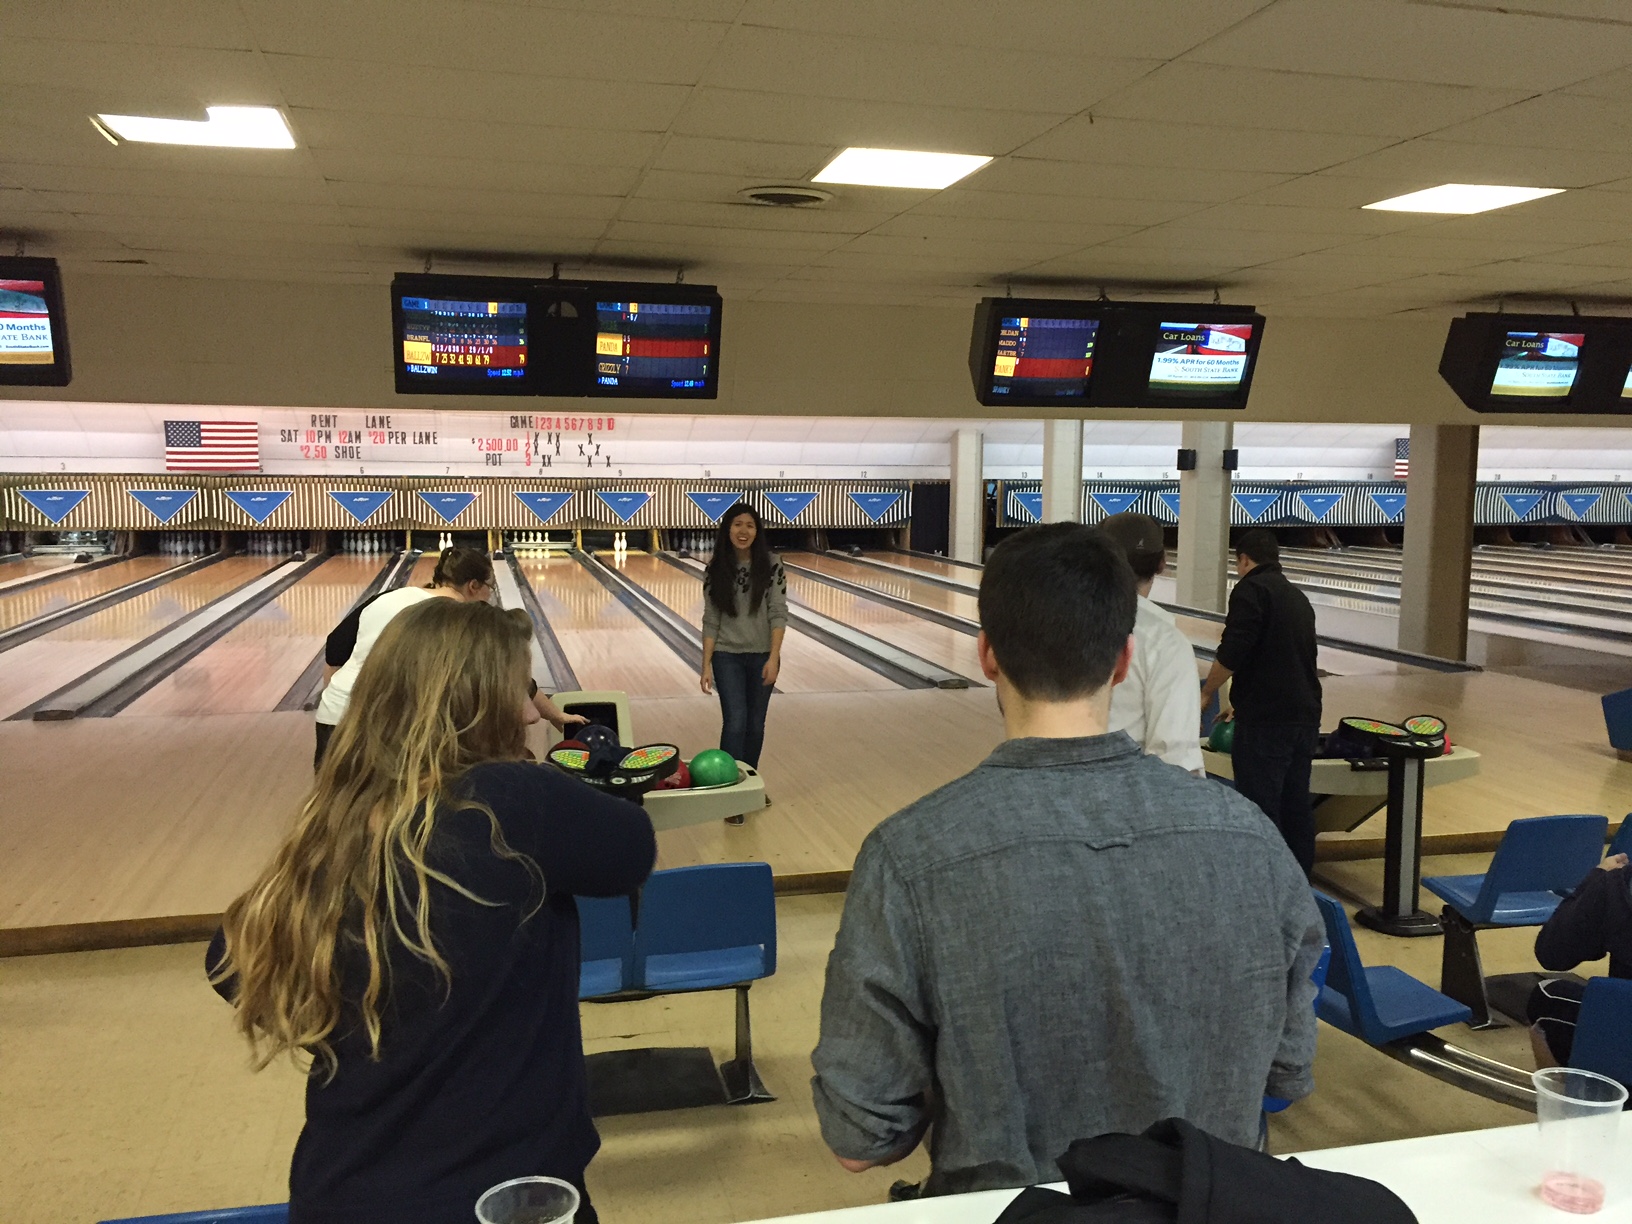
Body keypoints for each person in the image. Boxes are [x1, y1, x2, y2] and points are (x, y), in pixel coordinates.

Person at [810, 523, 1324, 1197]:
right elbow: (1286, 1074)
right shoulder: (1253, 840)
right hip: (1206, 1208)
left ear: (987, 655)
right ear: (1124, 659)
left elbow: (860, 1142)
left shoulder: (907, 858)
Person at [208, 598, 655, 1224]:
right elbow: (633, 849)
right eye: (519, 691)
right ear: (478, 705)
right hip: (507, 1200)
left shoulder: (333, 824)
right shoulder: (515, 802)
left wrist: (364, 1027)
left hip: (341, 1193)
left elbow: (228, 962)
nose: (533, 712)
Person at [316, 547, 582, 768]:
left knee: (340, 804)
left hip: (335, 715)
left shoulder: (389, 596)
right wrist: (556, 716)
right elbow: (511, 677)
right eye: (490, 587)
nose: (490, 596)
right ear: (474, 586)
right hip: (386, 725)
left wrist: (342, 702)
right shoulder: (459, 621)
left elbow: (334, 650)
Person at [1200, 529, 1322, 877]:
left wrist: (1208, 691)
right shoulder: (1297, 596)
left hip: (1268, 723)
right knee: (1296, 804)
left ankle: (1265, 883)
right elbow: (1289, 659)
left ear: (1243, 560)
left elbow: (1234, 650)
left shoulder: (1249, 590)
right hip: (1304, 716)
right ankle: (1300, 883)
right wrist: (1242, 702)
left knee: (1260, 806)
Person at [1097, 512, 1203, 774]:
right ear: (1162, 563)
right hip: (1130, 790)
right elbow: (1177, 760)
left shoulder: (1057, 625)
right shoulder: (1166, 643)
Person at [699, 502, 787, 817]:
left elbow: (778, 612)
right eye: (737, 524)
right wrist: (706, 664)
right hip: (727, 656)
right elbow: (711, 619)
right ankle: (729, 792)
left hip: (762, 654)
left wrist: (774, 658)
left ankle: (749, 787)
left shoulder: (773, 565)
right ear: (728, 529)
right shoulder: (715, 569)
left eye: (750, 525)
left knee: (755, 726)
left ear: (757, 531)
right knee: (736, 722)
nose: (743, 531)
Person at [1527, 850, 1632, 1072]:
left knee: (1547, 996)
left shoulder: (1618, 885)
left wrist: (1597, 879)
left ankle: (1573, 1096)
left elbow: (1552, 953)